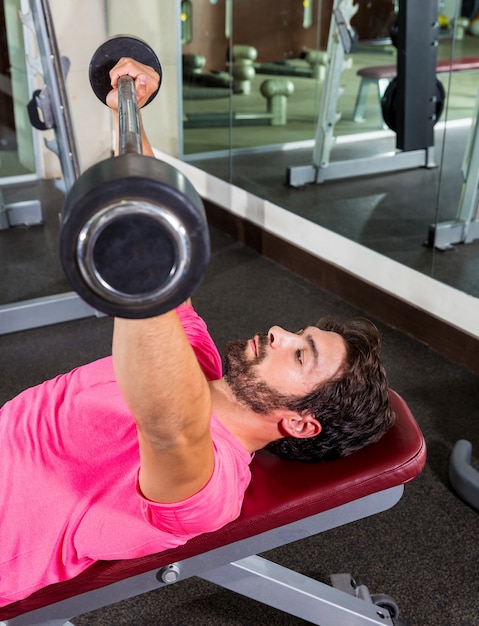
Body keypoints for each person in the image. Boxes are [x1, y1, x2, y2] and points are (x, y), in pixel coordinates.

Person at [0, 58, 394, 608]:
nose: (278, 331)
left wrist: (136, 270)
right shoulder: (198, 354)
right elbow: (164, 216)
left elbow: (171, 429)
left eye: (300, 354)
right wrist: (128, 109)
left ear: (301, 423)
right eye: (297, 332)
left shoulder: (210, 486)